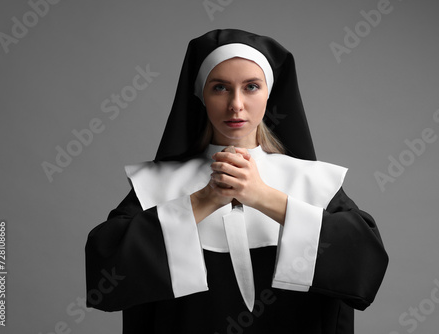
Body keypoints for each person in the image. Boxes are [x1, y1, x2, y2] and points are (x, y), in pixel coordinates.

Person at [85, 28, 388, 334]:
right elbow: (106, 275)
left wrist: (263, 197)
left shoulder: (313, 182)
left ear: (269, 93)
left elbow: (365, 265)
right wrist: (203, 200)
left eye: (251, 87)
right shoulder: (156, 185)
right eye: (220, 88)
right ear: (200, 95)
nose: (236, 104)